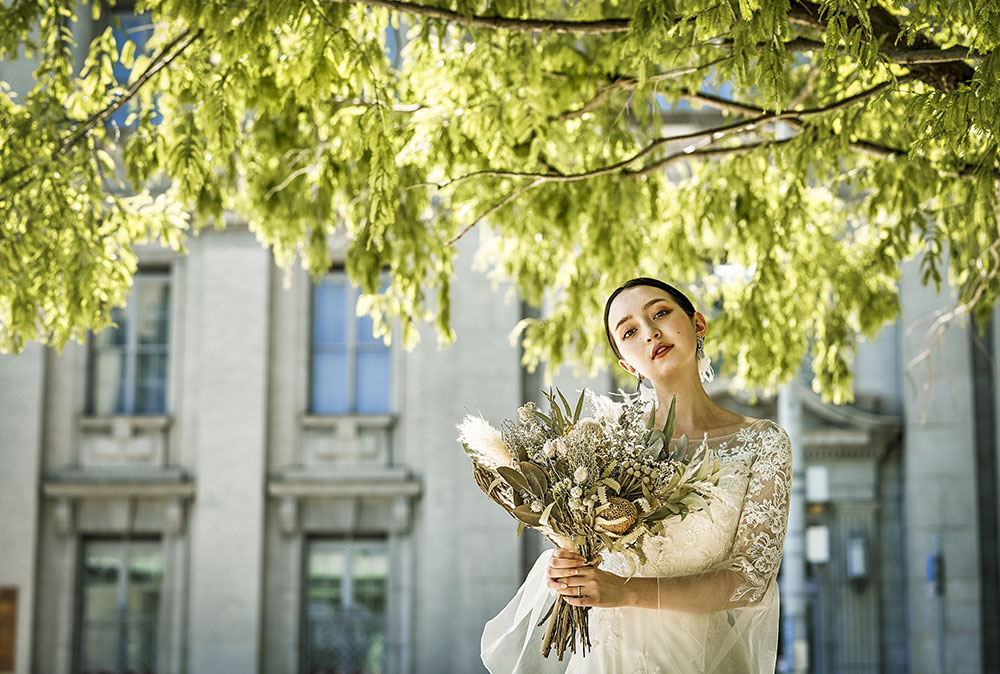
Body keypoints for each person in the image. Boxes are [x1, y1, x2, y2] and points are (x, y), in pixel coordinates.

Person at [481, 277, 793, 673]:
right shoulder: (599, 444)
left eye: (660, 313)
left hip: (703, 660)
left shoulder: (763, 442)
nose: (650, 333)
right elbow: (585, 549)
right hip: (605, 658)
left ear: (698, 323)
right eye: (629, 331)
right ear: (627, 364)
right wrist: (569, 567)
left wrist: (624, 592)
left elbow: (751, 580)